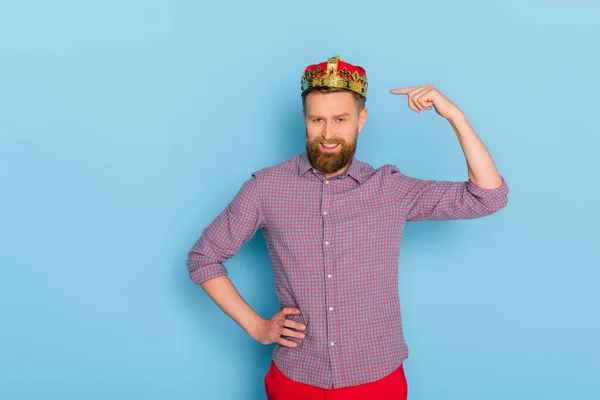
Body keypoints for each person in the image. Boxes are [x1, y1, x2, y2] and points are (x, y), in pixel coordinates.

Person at [187, 55, 509, 399]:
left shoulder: (390, 189)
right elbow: (203, 258)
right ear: (304, 119)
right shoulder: (266, 187)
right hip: (297, 378)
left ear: (361, 120)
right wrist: (256, 326)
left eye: (341, 119)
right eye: (317, 120)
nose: (328, 133)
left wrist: (455, 117)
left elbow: (488, 197)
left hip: (377, 378)